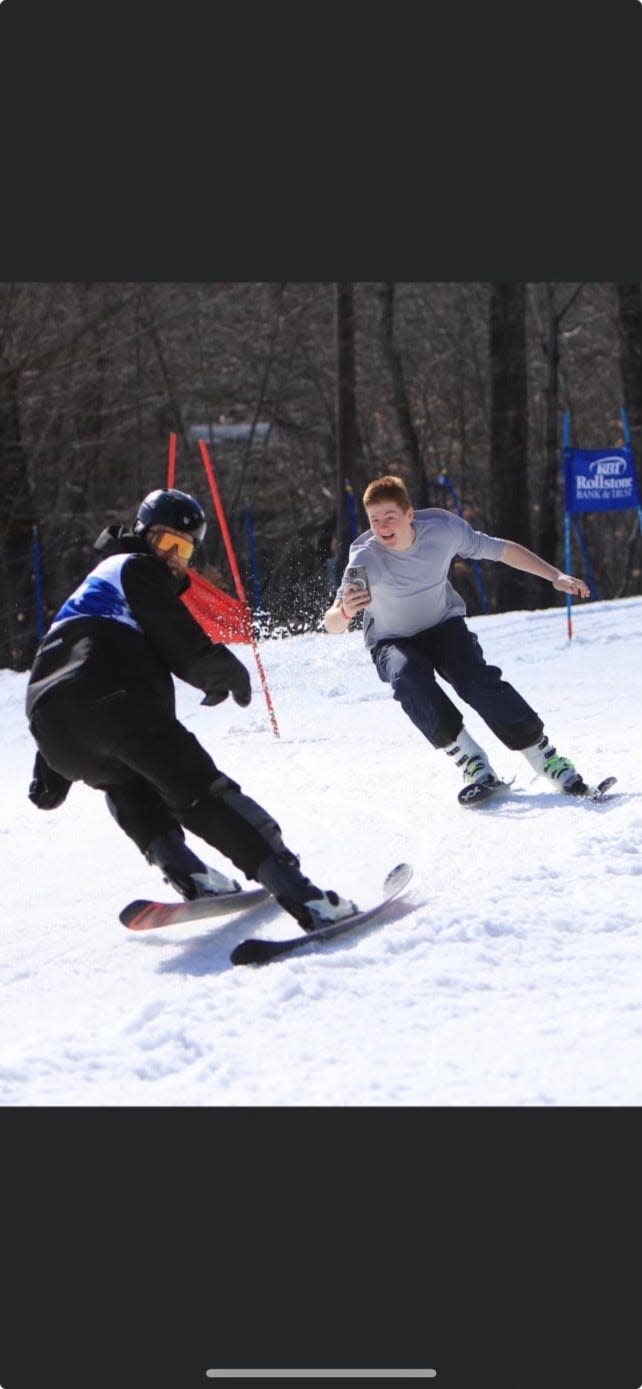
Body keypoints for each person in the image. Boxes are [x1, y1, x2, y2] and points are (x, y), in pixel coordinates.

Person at [26, 488, 357, 929]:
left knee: (124, 779)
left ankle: (188, 872)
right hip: (117, 707)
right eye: (166, 543)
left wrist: (49, 769)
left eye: (183, 549)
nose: (173, 558)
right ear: (143, 537)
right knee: (202, 794)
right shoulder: (136, 568)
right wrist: (219, 669)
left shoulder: (92, 589)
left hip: (53, 726)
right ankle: (307, 899)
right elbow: (176, 637)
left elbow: (67, 679)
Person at [323, 474, 593, 797]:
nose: (382, 527)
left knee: (475, 680)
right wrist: (346, 612)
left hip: (442, 626)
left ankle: (545, 758)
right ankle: (473, 762)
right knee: (408, 677)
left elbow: (501, 550)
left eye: (389, 517)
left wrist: (555, 575)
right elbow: (331, 624)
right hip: (391, 640)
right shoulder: (364, 558)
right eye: (374, 520)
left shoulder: (442, 530)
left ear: (410, 514)